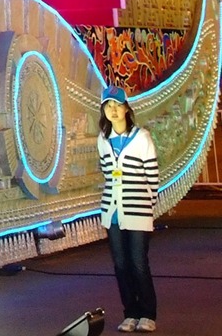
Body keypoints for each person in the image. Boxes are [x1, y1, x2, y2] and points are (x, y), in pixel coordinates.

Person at [97, 86, 158, 332]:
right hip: (112, 211)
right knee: (120, 265)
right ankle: (130, 313)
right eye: (108, 105)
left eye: (117, 105)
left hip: (138, 210)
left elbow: (152, 176)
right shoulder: (102, 140)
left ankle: (148, 313)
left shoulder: (142, 137)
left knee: (138, 263)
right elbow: (107, 173)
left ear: (126, 108)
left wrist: (147, 204)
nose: (113, 109)